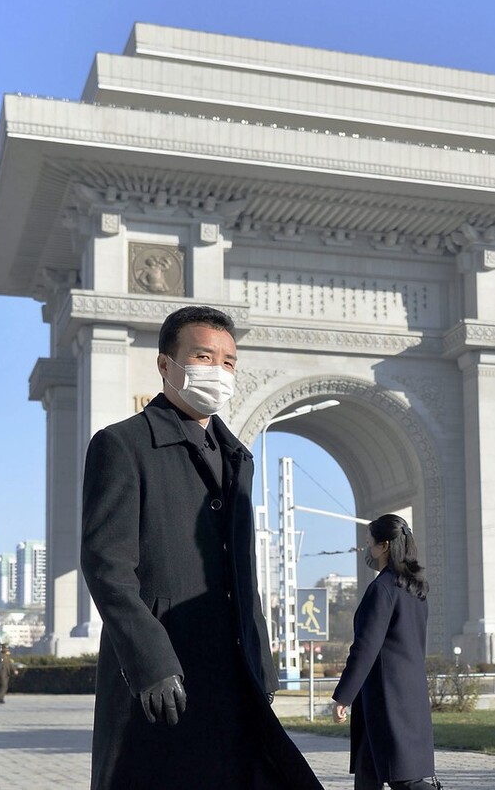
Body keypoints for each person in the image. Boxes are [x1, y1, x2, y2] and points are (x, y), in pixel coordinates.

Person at [80, 305, 323, 790]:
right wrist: (150, 661)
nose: (219, 371)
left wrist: (261, 662)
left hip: (235, 675)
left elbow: (244, 574)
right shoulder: (122, 445)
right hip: (164, 680)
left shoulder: (238, 459)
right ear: (165, 364)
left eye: (229, 361)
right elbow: (107, 568)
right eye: (203, 357)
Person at [332, 514, 437, 790]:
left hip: (387, 697)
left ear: (384, 546)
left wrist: (343, 696)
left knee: (405, 780)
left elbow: (365, 648)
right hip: (408, 693)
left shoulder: (382, 589)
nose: (368, 548)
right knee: (369, 773)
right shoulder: (415, 588)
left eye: (370, 542)